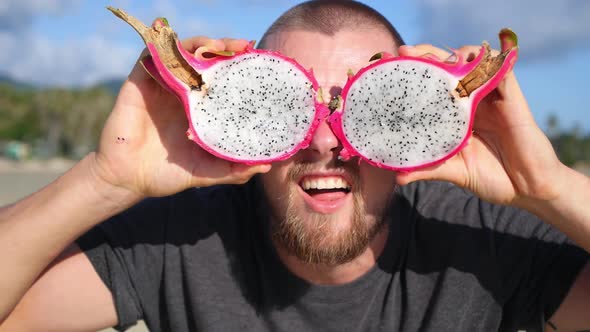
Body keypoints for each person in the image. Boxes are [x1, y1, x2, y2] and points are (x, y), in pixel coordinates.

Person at [1, 1, 589, 331]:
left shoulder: (490, 242)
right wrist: (105, 181)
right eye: (283, 107)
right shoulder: (174, 238)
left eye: (378, 107)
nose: (324, 141)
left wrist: (549, 187)